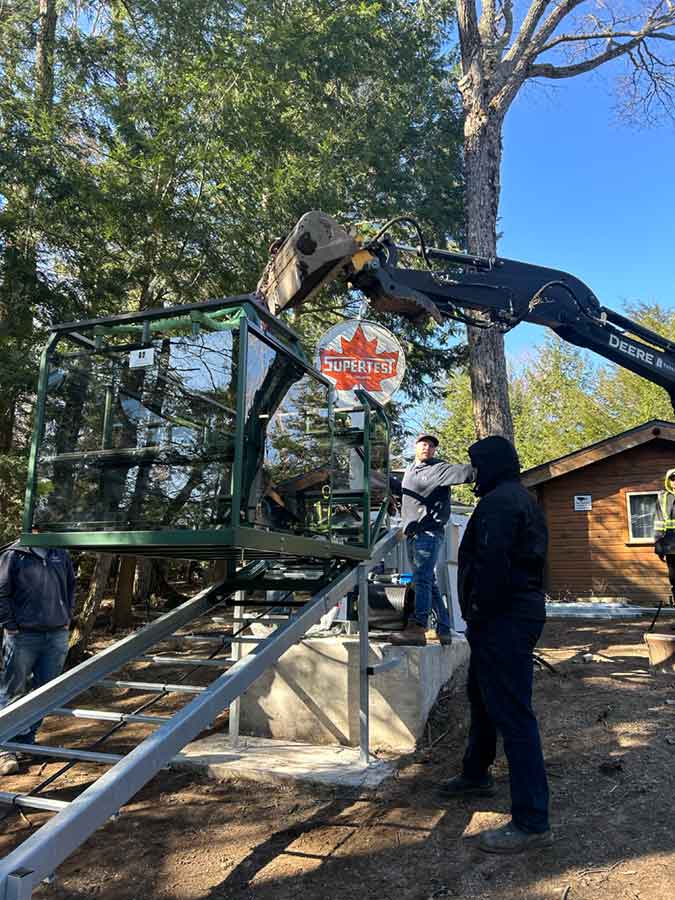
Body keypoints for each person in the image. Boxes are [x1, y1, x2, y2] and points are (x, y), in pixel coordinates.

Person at [440, 435, 551, 854]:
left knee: (513, 714)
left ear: (493, 464)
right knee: (482, 697)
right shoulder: (517, 498)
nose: (473, 473)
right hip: (510, 614)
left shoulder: (501, 503)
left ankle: (532, 821)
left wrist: (478, 613)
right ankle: (476, 772)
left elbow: (493, 565)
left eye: (477, 465)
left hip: (502, 617)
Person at [388, 433, 474, 647]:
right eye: (424, 444)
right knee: (428, 581)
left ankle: (418, 626)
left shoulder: (439, 469)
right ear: (415, 446)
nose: (427, 447)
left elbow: (466, 472)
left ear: (435, 450)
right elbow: (403, 491)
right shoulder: (409, 471)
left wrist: (484, 464)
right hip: (412, 533)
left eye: (431, 445)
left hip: (429, 533)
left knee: (422, 579)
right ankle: (444, 629)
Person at [0, 542, 75, 775]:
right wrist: (9, 625)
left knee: (46, 691)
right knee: (13, 690)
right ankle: (5, 748)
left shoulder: (60, 553)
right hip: (23, 635)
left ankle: (26, 741)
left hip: (56, 634)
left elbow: (70, 587)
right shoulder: (13, 555)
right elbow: (1, 590)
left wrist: (66, 618)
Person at [653, 468, 675, 606]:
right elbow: (659, 522)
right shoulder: (663, 498)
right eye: (672, 479)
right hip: (671, 548)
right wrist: (658, 546)